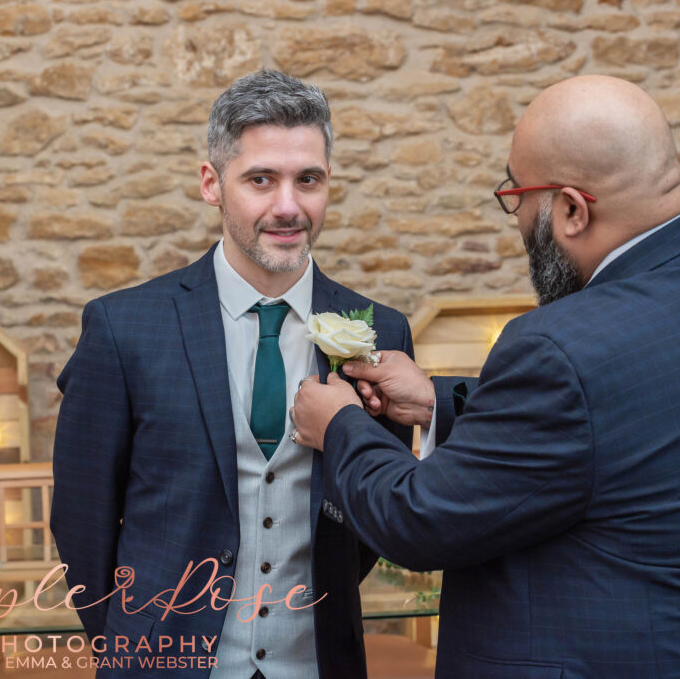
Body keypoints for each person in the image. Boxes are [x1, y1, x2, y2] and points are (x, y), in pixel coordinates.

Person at [291, 75, 680, 678]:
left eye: (518, 195)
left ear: (571, 208)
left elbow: (418, 522)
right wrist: (438, 401)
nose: (517, 219)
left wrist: (341, 427)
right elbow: (621, 423)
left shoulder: (556, 346)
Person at [51, 69, 413, 679]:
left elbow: (377, 516)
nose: (288, 207)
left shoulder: (382, 332)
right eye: (261, 180)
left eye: (309, 180)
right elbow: (82, 518)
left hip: (320, 661)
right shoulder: (122, 328)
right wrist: (131, 642)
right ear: (211, 184)